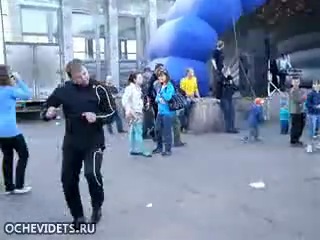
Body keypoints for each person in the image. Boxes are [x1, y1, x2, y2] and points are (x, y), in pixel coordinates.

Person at [41, 60, 115, 226]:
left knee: (91, 173)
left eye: (84, 73)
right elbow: (47, 107)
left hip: (93, 142)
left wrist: (97, 117)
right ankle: (78, 215)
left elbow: (111, 113)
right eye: (79, 77)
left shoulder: (99, 89)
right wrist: (48, 113)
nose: (84, 78)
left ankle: (97, 206)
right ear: (72, 79)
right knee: (67, 179)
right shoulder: (64, 90)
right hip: (72, 142)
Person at [0, 66, 32, 195]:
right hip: (11, 130)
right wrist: (19, 80)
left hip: (0, 132)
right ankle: (19, 185)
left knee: (7, 157)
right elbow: (27, 95)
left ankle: (9, 187)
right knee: (23, 155)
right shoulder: (10, 90)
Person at [121, 72, 151, 157]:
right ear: (134, 80)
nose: (142, 80)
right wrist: (129, 110)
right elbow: (124, 100)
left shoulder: (138, 88)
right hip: (134, 112)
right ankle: (141, 150)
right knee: (138, 131)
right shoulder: (130, 88)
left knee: (134, 131)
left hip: (137, 111)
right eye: (139, 78)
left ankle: (133, 149)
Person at [152, 69, 175, 156]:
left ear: (166, 76)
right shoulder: (160, 86)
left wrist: (161, 94)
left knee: (167, 131)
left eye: (162, 76)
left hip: (167, 113)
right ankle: (159, 147)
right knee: (157, 130)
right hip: (160, 112)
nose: (160, 78)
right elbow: (156, 99)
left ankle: (168, 149)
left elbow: (168, 98)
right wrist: (160, 97)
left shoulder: (169, 86)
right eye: (159, 76)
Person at [289, 77, 306, 146]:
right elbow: (297, 100)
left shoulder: (299, 90)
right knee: (296, 126)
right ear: (292, 83)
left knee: (301, 125)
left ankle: (297, 139)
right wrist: (303, 98)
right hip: (295, 111)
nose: (296, 84)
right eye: (294, 82)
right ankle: (294, 140)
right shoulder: (293, 91)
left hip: (300, 110)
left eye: (297, 82)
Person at [305, 80, 320, 152]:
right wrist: (315, 106)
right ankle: (309, 145)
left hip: (319, 114)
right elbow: (307, 104)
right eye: (315, 84)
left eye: (318, 84)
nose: (317, 86)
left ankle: (318, 143)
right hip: (312, 114)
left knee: (318, 130)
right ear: (313, 86)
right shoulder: (310, 94)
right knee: (311, 130)